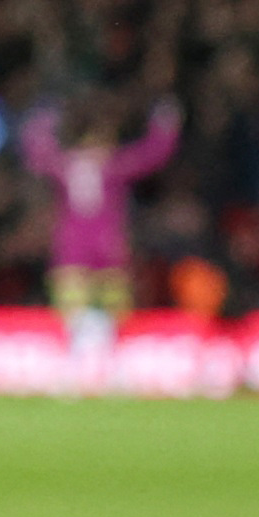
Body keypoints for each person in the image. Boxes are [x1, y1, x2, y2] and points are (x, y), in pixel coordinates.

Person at [25, 96, 180, 369]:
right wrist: (43, 121)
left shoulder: (112, 167)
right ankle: (76, 358)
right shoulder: (70, 166)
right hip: (75, 247)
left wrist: (164, 125)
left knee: (115, 305)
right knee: (72, 303)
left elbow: (150, 155)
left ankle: (109, 358)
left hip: (106, 247)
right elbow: (39, 154)